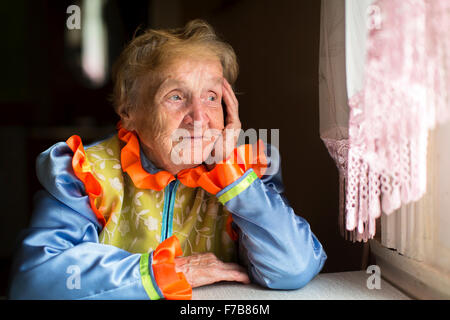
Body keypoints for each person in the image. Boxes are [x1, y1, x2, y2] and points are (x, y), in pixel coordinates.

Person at [8, 19, 326, 300]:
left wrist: (232, 176)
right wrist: (168, 272)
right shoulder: (84, 173)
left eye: (211, 97)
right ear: (128, 112)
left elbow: (293, 268)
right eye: (175, 96)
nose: (199, 118)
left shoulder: (243, 172)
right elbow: (35, 281)